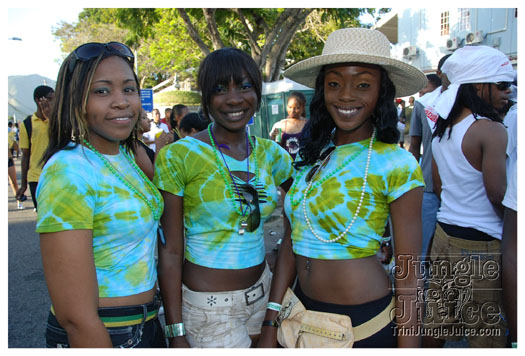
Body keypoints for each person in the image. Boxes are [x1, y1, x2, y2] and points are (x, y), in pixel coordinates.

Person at [258, 28, 427, 348]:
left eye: (363, 84)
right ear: (322, 90)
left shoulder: (396, 164)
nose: (346, 95)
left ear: (382, 91)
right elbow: (290, 246)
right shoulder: (310, 157)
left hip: (365, 328)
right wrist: (271, 321)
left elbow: (408, 273)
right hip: (301, 321)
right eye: (334, 83)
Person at [154, 47, 293, 348]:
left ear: (257, 92)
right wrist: (175, 332)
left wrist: (283, 253)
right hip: (208, 311)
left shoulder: (273, 155)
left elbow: (306, 206)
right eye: (219, 89)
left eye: (244, 86)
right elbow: (170, 251)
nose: (234, 99)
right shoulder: (179, 156)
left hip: (265, 294)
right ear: (205, 98)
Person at [35, 41, 166, 348]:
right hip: (104, 332)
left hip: (146, 323)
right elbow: (75, 317)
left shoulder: (124, 155)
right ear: (76, 99)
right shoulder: (68, 170)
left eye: (129, 89)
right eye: (102, 91)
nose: (121, 102)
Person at [423, 45, 513, 348]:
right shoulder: (491, 131)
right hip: (481, 245)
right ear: (478, 85)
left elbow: (437, 184)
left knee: (436, 323)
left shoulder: (443, 130)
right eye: (501, 84)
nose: (508, 92)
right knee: (485, 337)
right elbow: (498, 195)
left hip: (443, 236)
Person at [408, 61, 448, 259]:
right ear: (441, 72)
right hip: (429, 188)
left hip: (458, 192)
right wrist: (411, 182)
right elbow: (414, 145)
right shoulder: (424, 104)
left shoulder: (470, 103)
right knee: (420, 249)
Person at [16, 85, 54, 211]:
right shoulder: (27, 124)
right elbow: (25, 155)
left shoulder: (57, 121)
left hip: (58, 176)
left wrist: (51, 117)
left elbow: (65, 140)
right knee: (43, 218)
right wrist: (23, 185)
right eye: (50, 99)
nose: (53, 102)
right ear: (39, 100)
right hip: (36, 179)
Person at [269, 91, 308, 159]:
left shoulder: (309, 124)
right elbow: (276, 150)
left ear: (303, 107)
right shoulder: (280, 125)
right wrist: (273, 139)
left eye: (297, 108)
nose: (292, 111)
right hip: (287, 166)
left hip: (305, 166)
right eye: (290, 107)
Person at [135, 108, 156, 180]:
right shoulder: (135, 145)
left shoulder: (140, 141)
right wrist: (160, 146)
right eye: (144, 118)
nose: (149, 120)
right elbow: (152, 177)